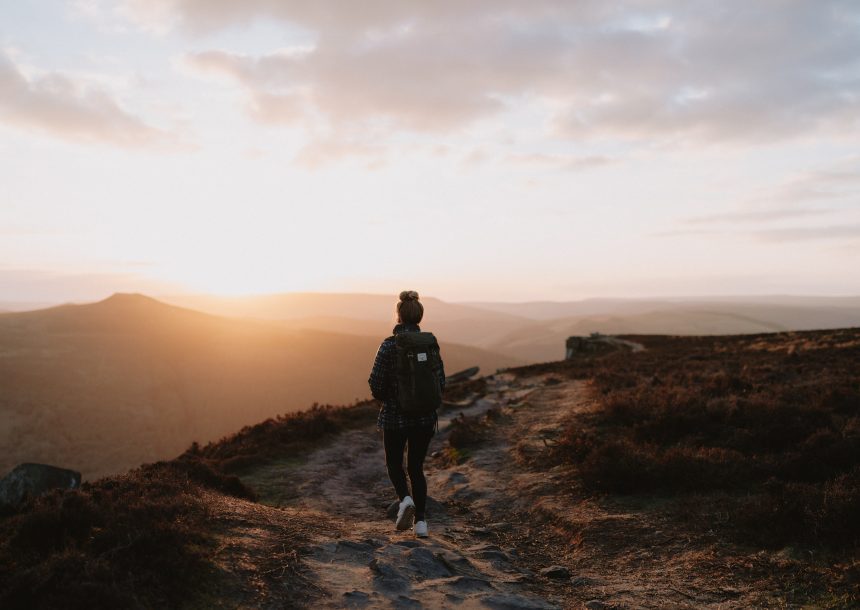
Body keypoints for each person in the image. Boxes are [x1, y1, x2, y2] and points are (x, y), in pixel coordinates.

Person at [368, 290, 445, 538]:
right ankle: (421, 523)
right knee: (416, 468)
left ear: (399, 316)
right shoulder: (430, 343)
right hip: (424, 418)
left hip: (395, 417)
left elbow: (376, 384)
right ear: (419, 315)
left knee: (393, 462)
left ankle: (405, 500)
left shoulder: (389, 345)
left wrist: (389, 399)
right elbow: (440, 381)